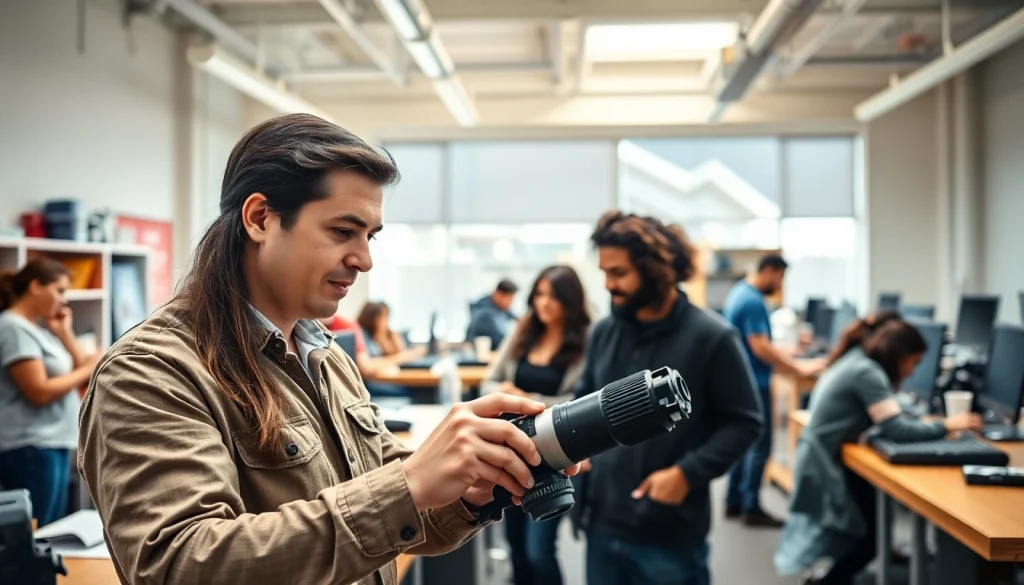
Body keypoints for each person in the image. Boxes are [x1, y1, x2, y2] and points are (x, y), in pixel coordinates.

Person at [78, 114, 579, 585]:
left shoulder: (326, 355)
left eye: (369, 236)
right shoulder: (151, 372)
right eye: (343, 231)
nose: (363, 260)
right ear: (259, 218)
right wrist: (409, 482)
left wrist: (474, 487)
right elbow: (182, 565)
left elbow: (398, 521)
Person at [574, 211, 763, 585]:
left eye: (619, 273)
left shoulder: (712, 337)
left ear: (654, 270)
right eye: (605, 273)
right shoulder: (604, 332)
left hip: (669, 532)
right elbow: (583, 402)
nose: (609, 285)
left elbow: (745, 423)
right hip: (602, 522)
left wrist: (686, 474)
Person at [775, 319, 982, 585]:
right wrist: (947, 425)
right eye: (913, 363)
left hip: (825, 455)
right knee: (868, 538)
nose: (911, 372)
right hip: (824, 462)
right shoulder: (866, 372)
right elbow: (898, 430)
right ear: (899, 357)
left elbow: (886, 413)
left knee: (866, 529)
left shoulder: (858, 361)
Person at [483, 265, 591, 585]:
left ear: (570, 302)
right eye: (539, 294)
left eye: (554, 296)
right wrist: (504, 395)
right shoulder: (524, 329)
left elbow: (581, 403)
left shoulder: (586, 339)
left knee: (539, 551)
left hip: (556, 457)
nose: (544, 303)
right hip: (512, 451)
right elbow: (490, 380)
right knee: (515, 544)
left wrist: (526, 398)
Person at [723, 254, 825, 527]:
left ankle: (734, 501)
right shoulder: (754, 300)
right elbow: (760, 348)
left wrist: (788, 354)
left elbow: (757, 344)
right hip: (755, 383)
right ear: (769, 271)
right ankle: (751, 507)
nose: (779, 284)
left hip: (739, 380)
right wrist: (796, 367)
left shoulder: (740, 292)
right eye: (779, 277)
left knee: (743, 443)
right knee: (760, 444)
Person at [0, 258, 99, 526]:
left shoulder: (37, 330)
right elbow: (39, 392)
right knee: (36, 531)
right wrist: (89, 366)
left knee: (51, 528)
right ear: (35, 286)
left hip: (50, 443)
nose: (63, 300)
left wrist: (64, 333)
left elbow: (83, 373)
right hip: (30, 447)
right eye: (60, 290)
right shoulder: (12, 327)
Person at [357, 301, 426, 363]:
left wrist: (395, 339)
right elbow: (370, 363)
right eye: (382, 317)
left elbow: (400, 353)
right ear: (371, 319)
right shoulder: (362, 335)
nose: (385, 322)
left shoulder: (388, 334)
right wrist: (401, 357)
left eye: (387, 317)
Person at [466, 279, 518, 351]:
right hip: (479, 356)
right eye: (509, 300)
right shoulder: (485, 314)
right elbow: (500, 342)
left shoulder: (500, 307)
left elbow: (515, 317)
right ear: (498, 295)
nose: (510, 304)